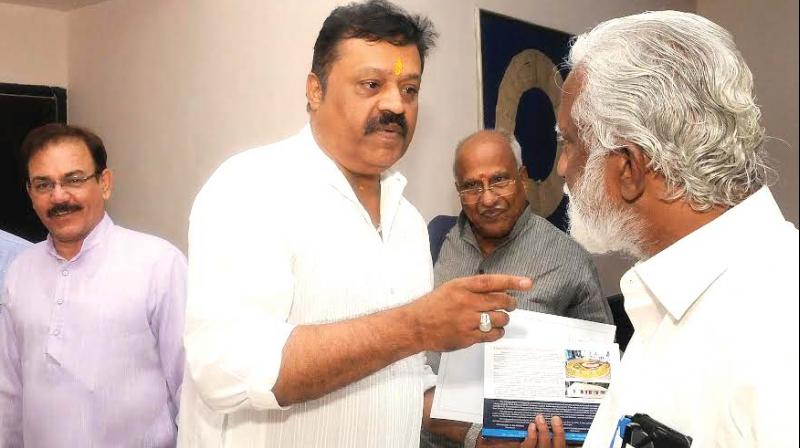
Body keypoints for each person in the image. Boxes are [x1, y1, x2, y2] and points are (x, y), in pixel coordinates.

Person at [178, 1, 530, 447]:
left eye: (409, 89)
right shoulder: (251, 188)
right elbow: (226, 369)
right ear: (315, 90)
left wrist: (481, 435)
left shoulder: (407, 221)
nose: (395, 105)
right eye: (371, 84)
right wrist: (417, 326)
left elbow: (400, 379)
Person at [544, 10, 798, 447]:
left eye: (569, 143)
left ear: (628, 167)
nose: (563, 167)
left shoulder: (778, 327)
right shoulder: (666, 297)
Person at [0, 123, 187, 446]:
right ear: (30, 195)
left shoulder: (158, 263)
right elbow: (9, 389)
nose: (59, 196)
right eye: (43, 184)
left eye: (74, 179)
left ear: (105, 184)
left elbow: (190, 387)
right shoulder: (19, 271)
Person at [421, 130, 612, 448]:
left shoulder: (569, 261)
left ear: (522, 178)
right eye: (471, 186)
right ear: (458, 191)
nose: (487, 199)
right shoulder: (435, 242)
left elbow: (597, 383)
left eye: (499, 180)